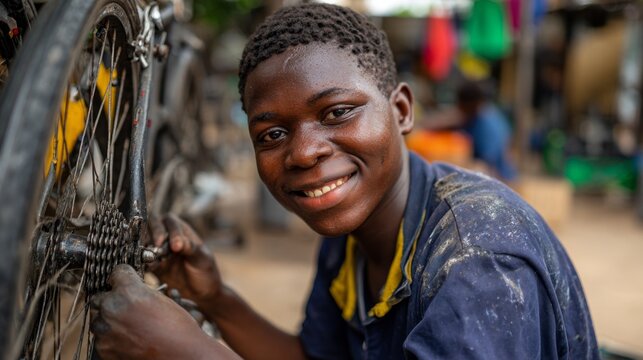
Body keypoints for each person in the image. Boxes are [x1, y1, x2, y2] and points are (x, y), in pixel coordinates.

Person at [91, 3, 599, 359]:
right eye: (272, 133)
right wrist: (215, 298)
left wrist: (190, 354)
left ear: (400, 110)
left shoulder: (477, 261)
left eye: (336, 112)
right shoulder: (355, 235)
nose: (304, 151)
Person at [455, 80, 518, 181]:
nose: (459, 108)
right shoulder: (486, 113)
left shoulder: (486, 124)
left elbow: (487, 163)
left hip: (500, 179)